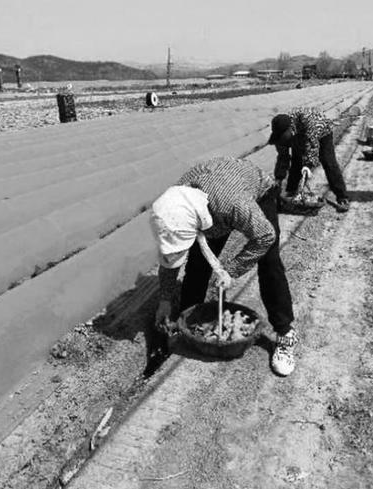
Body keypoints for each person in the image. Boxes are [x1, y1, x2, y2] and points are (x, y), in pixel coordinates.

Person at [150, 156, 298, 376]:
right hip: (215, 196)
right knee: (198, 264)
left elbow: (265, 236)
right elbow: (172, 255)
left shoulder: (234, 205)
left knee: (269, 263)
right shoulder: (176, 204)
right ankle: (189, 321)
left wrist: (231, 271)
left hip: (255, 191)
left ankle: (285, 333)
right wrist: (164, 299)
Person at [268, 107, 350, 212]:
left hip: (322, 131)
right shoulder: (281, 135)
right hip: (299, 135)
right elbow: (283, 157)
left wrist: (308, 165)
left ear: (289, 129)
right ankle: (292, 193)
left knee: (328, 161)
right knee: (296, 162)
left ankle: (342, 197)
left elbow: (312, 146)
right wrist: (279, 178)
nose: (283, 140)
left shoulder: (306, 122)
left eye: (284, 137)